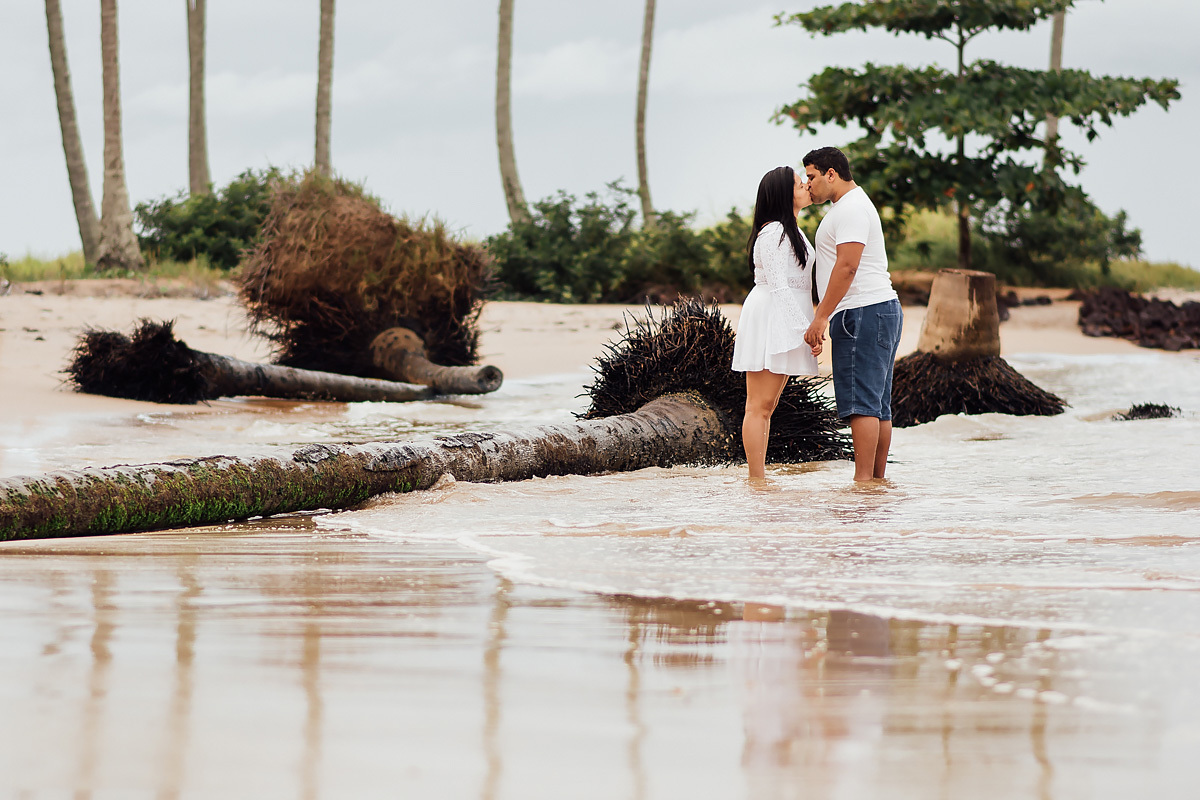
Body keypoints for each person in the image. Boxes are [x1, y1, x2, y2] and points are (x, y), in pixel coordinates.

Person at [801, 147, 903, 482]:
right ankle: (875, 483)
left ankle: (863, 484)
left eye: (812, 176)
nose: (808, 184)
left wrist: (821, 317)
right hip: (876, 309)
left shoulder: (851, 208)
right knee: (877, 405)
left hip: (863, 311)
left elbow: (847, 266)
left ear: (831, 174)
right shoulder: (852, 205)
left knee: (863, 405)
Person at [731, 166, 822, 479]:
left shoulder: (791, 230)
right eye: (798, 184)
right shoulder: (773, 233)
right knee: (758, 405)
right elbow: (779, 286)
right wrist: (806, 330)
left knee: (767, 405)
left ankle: (759, 477)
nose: (806, 186)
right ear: (784, 194)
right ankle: (756, 480)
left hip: (786, 315)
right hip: (771, 315)